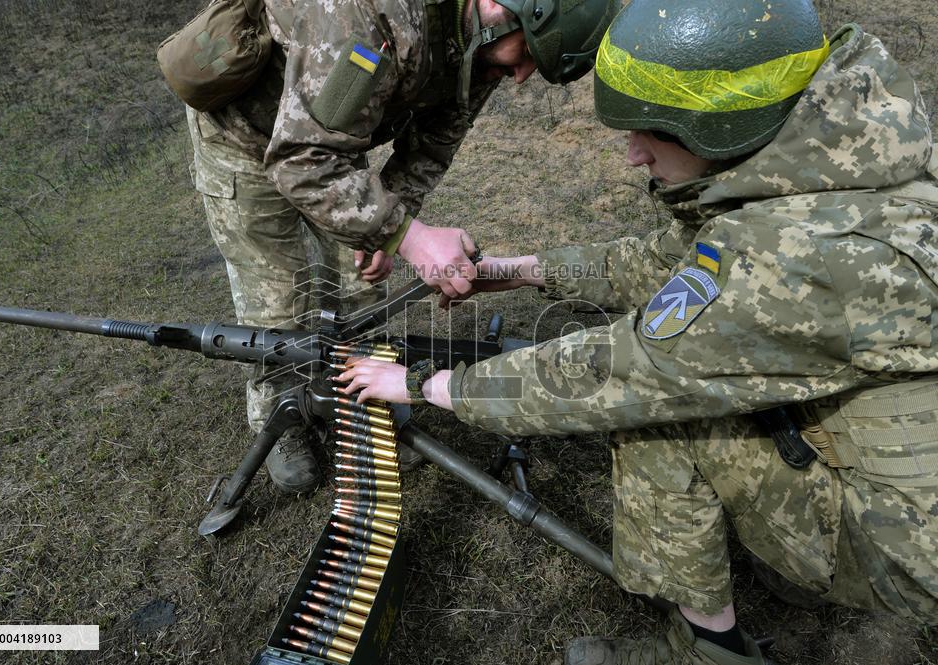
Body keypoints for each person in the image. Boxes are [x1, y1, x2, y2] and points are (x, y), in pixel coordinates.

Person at [337, 0, 938, 662]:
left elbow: (621, 370)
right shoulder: (842, 153)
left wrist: (427, 384)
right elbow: (670, 263)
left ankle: (707, 650)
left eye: (649, 131)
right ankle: (785, 551)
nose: (630, 154)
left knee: (653, 418)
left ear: (715, 126)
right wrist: (518, 271)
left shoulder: (798, 257)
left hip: (906, 549)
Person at [186, 0, 618, 492]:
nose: (520, 76)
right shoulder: (368, 13)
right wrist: (405, 235)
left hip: (329, 146)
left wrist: (391, 224)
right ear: (504, 7)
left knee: (361, 287)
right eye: (529, 57)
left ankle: (362, 407)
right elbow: (301, 160)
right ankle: (281, 416)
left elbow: (436, 140)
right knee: (277, 297)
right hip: (244, 138)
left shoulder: (482, 37)